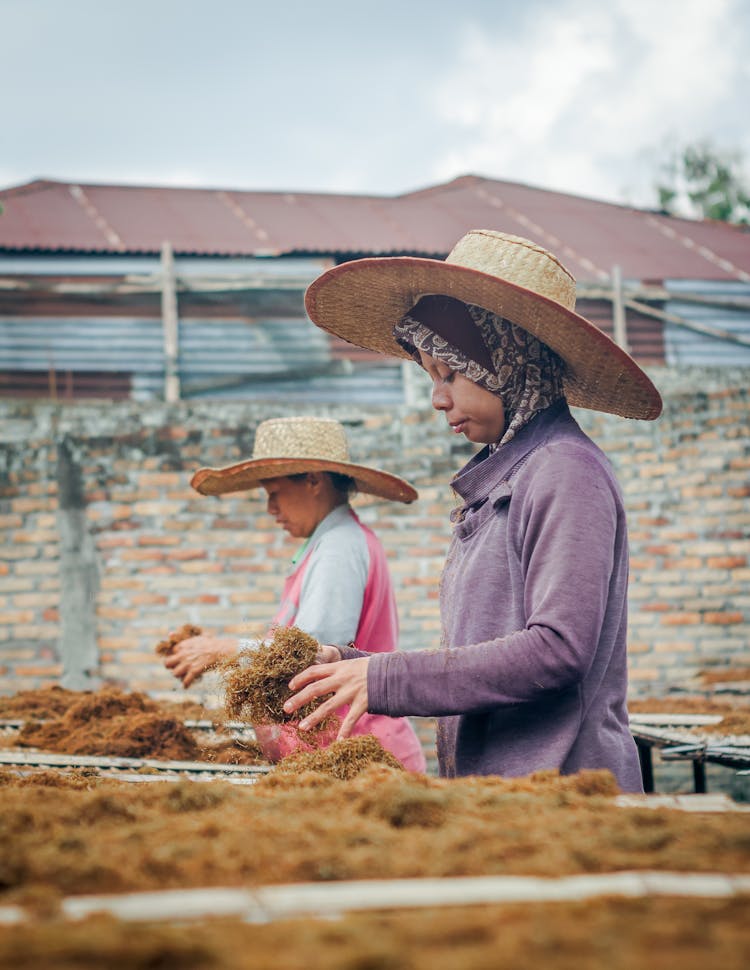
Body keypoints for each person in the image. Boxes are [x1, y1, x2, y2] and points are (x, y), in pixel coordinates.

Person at [282, 229, 663, 794]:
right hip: (504, 796)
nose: (439, 398)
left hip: (565, 797)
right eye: (431, 377)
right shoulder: (512, 473)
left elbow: (558, 651)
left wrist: (384, 677)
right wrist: (348, 659)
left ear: (505, 362)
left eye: (450, 374)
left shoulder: (564, 470)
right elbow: (482, 653)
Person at [162, 415, 426, 772]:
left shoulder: (339, 546)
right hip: (335, 758)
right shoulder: (327, 544)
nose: (271, 509)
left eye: (274, 494)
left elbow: (309, 654)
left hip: (358, 759)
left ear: (313, 481)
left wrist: (223, 650)